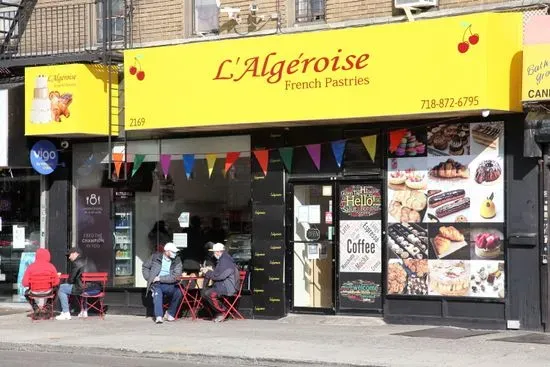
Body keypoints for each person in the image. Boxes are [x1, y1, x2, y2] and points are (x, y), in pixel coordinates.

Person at [142, 242, 183, 324]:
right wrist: (149, 278)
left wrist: (160, 278)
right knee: (157, 292)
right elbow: (145, 267)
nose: (175, 254)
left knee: (179, 292)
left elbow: (175, 276)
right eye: (173, 252)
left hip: (170, 284)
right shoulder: (155, 257)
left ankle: (170, 313)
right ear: (167, 251)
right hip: (157, 284)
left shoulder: (177, 261)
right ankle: (159, 316)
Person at [56, 247, 98, 320]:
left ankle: (65, 313)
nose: (69, 257)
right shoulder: (90, 260)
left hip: (83, 288)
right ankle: (84, 311)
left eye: (70, 255)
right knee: (82, 287)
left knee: (62, 288)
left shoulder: (77, 262)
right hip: (96, 288)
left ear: (75, 253)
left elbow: (70, 280)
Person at [200, 243, 239, 323]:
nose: (213, 254)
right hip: (223, 285)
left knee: (209, 293)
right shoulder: (224, 259)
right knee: (204, 292)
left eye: (214, 252)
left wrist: (207, 272)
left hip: (228, 287)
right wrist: (211, 271)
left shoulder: (225, 261)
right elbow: (219, 274)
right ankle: (217, 313)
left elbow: (219, 276)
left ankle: (222, 311)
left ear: (218, 252)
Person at [21, 248, 60, 318]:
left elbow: (24, 283)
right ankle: (47, 308)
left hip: (34, 292)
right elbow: (56, 282)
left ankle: (36, 308)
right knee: (56, 289)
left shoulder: (31, 267)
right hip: (48, 292)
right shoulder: (51, 266)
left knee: (26, 293)